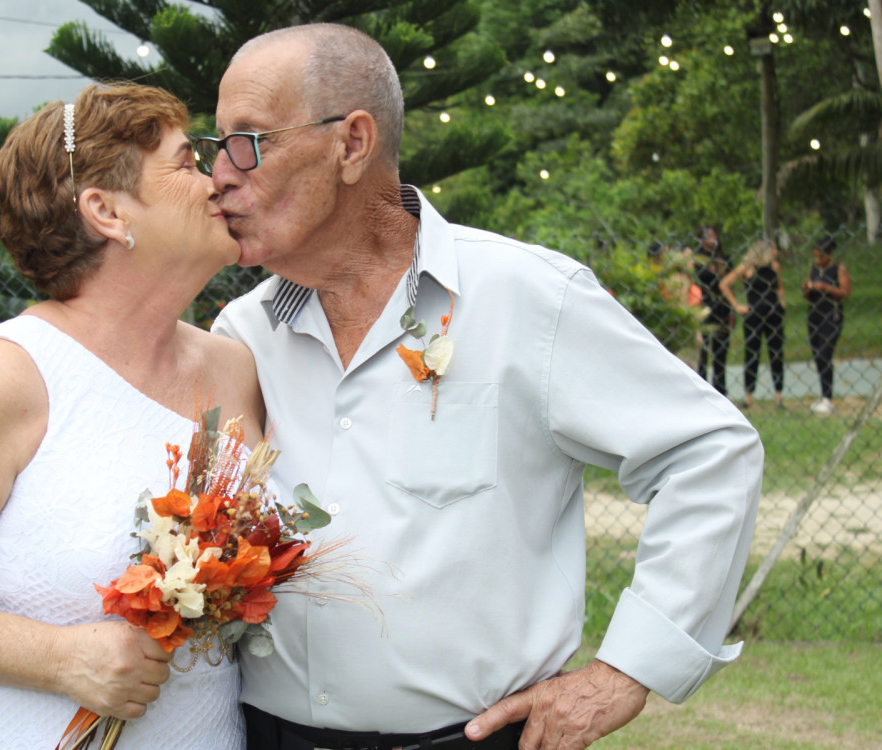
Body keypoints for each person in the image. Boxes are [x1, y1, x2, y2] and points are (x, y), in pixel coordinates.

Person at [202, 23, 762, 750]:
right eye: (216, 146)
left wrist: (625, 672)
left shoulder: (527, 297)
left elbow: (709, 453)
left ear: (351, 143)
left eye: (250, 141)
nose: (220, 175)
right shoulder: (242, 338)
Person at [0, 83, 259, 750]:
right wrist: (61, 659)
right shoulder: (11, 374)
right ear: (107, 211)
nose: (215, 182)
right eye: (184, 163)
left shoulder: (236, 367)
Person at [720, 238, 787, 408]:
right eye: (773, 249)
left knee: (776, 353)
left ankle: (778, 396)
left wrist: (782, 302)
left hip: (774, 314)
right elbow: (724, 283)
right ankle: (749, 396)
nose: (775, 253)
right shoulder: (747, 267)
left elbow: (778, 287)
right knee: (752, 354)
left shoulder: (774, 267)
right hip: (754, 315)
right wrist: (736, 306)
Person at [801, 234, 851, 414]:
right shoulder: (813, 270)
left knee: (824, 354)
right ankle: (824, 396)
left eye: (820, 256)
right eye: (815, 256)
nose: (817, 260)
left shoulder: (839, 268)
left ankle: (828, 398)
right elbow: (806, 296)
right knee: (817, 355)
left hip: (832, 315)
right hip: (815, 315)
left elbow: (845, 292)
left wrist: (825, 287)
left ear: (829, 254)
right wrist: (807, 288)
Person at [693, 226, 733, 396]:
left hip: (722, 309)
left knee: (720, 351)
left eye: (713, 236)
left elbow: (729, 286)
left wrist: (731, 310)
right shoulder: (696, 261)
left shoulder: (725, 260)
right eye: (708, 237)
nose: (712, 240)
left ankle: (720, 389)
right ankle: (702, 390)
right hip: (704, 307)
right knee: (703, 351)